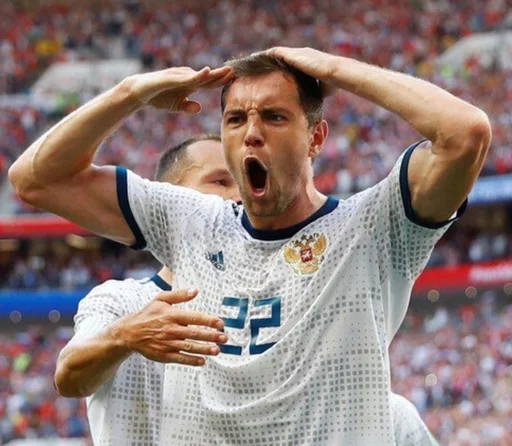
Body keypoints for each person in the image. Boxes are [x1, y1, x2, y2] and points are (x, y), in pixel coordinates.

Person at [9, 47, 491, 444]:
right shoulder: (191, 222)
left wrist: (335, 69)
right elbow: (36, 179)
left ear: (316, 137)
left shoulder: (373, 228)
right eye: (236, 119)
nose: (252, 133)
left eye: (275, 117)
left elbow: (465, 134)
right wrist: (131, 92)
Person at [54, 135, 240, 445]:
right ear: (167, 198)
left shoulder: (268, 301)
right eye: (220, 181)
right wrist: (125, 337)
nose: (238, 196)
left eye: (245, 184)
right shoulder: (121, 300)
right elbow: (69, 377)